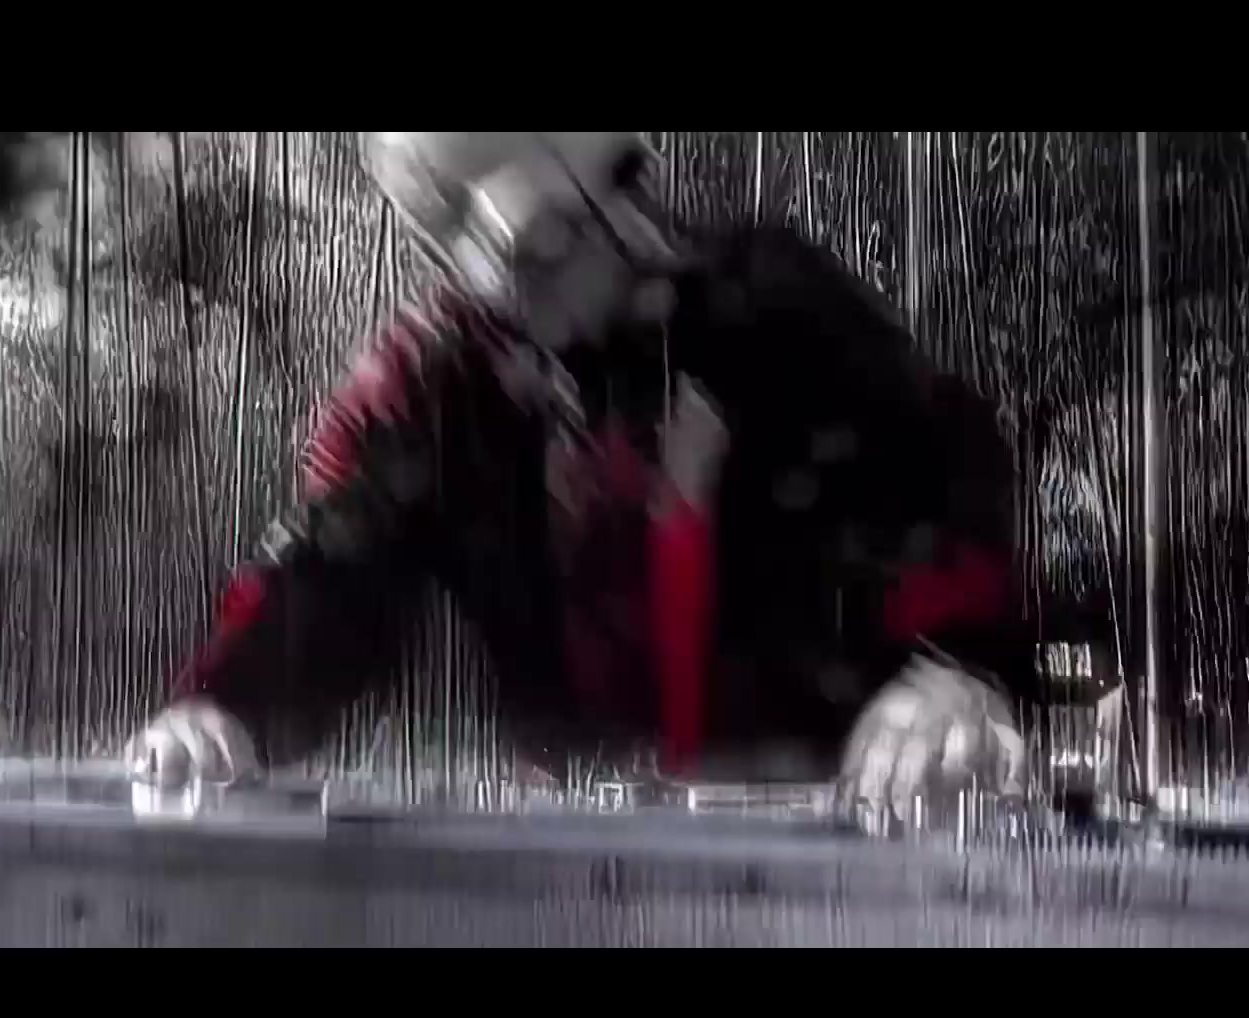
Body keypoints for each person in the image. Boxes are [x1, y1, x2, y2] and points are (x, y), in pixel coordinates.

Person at [126, 132, 1033, 826]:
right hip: (572, 863)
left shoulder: (792, 320)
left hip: (820, 842)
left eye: (550, 248)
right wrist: (223, 710)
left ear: (625, 192)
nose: (522, 291)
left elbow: (948, 512)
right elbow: (328, 572)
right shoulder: (436, 389)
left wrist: (953, 676)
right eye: (491, 265)